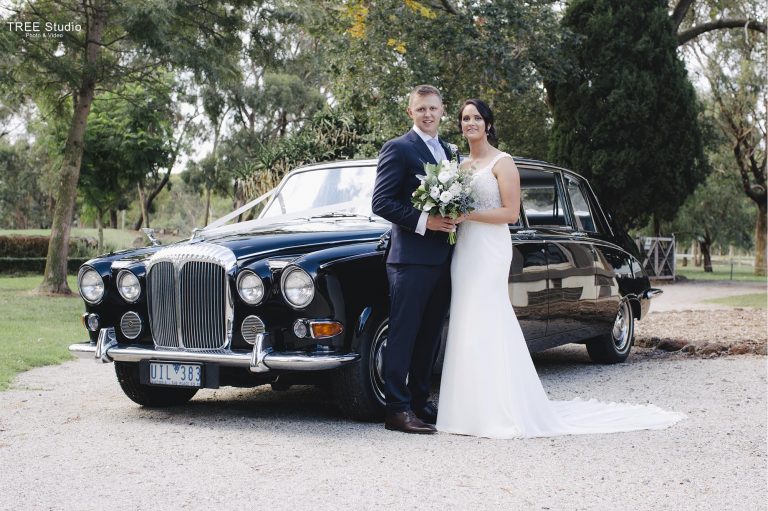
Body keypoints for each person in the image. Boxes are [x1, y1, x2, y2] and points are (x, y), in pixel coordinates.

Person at [436, 99, 685, 438]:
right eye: (465, 118)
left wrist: (468, 216)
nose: (470, 123)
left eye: (477, 117)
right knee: (465, 318)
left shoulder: (502, 162)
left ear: (488, 124)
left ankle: (498, 408)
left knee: (489, 315)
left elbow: (510, 214)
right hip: (464, 248)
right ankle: (463, 410)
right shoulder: (460, 167)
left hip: (490, 247)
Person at [371, 84, 461, 434]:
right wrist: (428, 222)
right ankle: (397, 408)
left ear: (442, 111)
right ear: (410, 112)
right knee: (404, 334)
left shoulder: (450, 152)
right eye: (421, 109)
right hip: (409, 260)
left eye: (433, 108)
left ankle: (421, 402)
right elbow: (381, 202)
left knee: (430, 335)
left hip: (444, 259)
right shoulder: (398, 149)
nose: (428, 114)